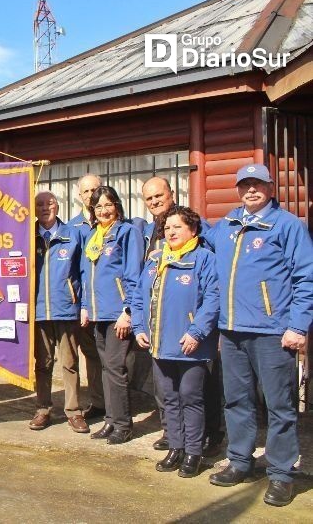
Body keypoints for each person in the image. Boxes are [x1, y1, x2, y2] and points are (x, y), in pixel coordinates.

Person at [206, 164, 313, 507]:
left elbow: (305, 277)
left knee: (279, 405)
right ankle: (240, 461)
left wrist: (298, 326)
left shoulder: (286, 225)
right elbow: (192, 235)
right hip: (232, 330)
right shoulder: (227, 226)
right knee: (237, 400)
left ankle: (281, 474)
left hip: (272, 332)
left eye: (257, 184)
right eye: (245, 185)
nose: (251, 190)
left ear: (270, 187)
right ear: (238, 190)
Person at [132, 205, 219, 478]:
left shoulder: (204, 258)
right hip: (159, 344)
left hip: (190, 345)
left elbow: (213, 298)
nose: (171, 232)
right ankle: (176, 447)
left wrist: (196, 332)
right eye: (167, 228)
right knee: (169, 398)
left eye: (177, 226)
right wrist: (138, 327)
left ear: (192, 229)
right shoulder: (155, 260)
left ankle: (194, 452)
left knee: (190, 398)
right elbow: (138, 296)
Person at [30, 191, 101, 434]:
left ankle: (73, 411)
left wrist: (84, 306)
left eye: (49, 203)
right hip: (39, 310)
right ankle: (42, 409)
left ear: (58, 206)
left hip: (67, 309)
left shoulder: (73, 234)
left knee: (70, 363)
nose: (44, 208)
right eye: (39, 204)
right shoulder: (27, 236)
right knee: (42, 363)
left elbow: (84, 273)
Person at [80, 186, 144, 445]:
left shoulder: (128, 232)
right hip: (98, 313)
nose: (104, 211)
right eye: (98, 207)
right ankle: (110, 418)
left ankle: (123, 424)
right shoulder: (94, 236)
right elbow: (87, 275)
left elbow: (134, 273)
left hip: (118, 313)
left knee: (116, 368)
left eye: (108, 205)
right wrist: (85, 305)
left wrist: (128, 311)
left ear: (117, 205)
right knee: (106, 368)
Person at [67, 173, 106, 420]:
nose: (91, 196)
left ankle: (114, 404)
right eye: (86, 192)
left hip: (108, 301)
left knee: (110, 359)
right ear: (79, 196)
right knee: (90, 354)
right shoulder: (72, 228)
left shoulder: (117, 223)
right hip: (81, 303)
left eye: (95, 190)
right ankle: (98, 402)